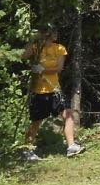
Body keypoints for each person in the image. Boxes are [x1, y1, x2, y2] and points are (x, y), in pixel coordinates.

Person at [21, 25, 85, 160]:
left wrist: (42, 70)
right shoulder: (36, 48)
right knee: (36, 121)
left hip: (55, 89)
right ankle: (27, 151)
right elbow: (23, 55)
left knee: (68, 114)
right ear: (47, 33)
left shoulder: (59, 48)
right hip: (38, 90)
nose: (56, 33)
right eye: (53, 31)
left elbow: (59, 68)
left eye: (56, 30)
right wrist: (34, 40)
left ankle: (71, 146)